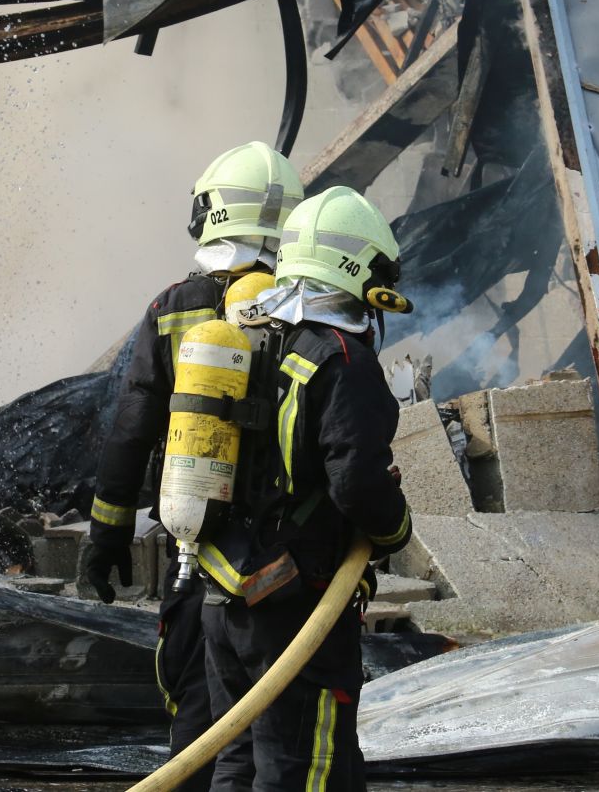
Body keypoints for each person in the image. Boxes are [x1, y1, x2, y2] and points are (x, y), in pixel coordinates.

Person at [85, 141, 305, 790]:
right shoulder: (306, 309)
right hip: (287, 561)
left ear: (210, 215)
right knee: (283, 732)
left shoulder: (174, 307)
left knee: (197, 719)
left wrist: (106, 534)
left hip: (197, 548)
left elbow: (129, 431)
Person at [198, 185, 414, 792]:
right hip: (295, 607)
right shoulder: (343, 359)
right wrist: (395, 530)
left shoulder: (256, 337)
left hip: (226, 592)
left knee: (238, 764)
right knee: (304, 772)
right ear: (362, 276)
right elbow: (358, 484)